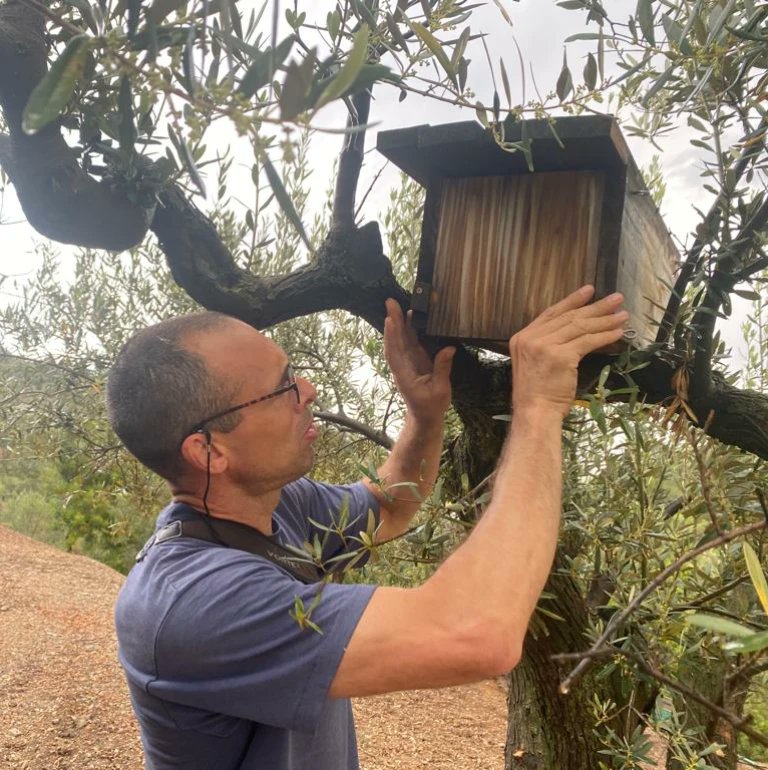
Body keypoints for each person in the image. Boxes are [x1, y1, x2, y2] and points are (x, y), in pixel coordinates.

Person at [107, 285, 627, 770]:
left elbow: (392, 505)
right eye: (280, 388)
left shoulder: (274, 507)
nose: (307, 390)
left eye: (297, 371)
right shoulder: (194, 605)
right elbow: (477, 631)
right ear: (209, 450)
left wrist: (425, 415)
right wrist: (538, 408)